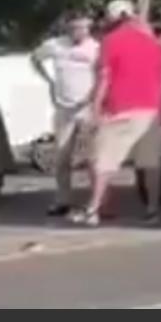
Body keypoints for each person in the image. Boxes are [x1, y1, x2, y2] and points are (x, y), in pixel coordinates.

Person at [71, 0, 161, 227]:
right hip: (150, 110)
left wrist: (95, 109)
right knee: (149, 163)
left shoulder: (110, 41)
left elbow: (105, 78)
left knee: (103, 161)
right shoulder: (155, 43)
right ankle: (152, 209)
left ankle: (93, 209)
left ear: (112, 18)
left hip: (119, 109)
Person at [30, 12, 99, 216]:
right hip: (64, 107)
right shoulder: (56, 45)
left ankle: (96, 201)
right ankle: (63, 199)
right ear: (68, 28)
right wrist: (49, 81)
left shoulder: (95, 48)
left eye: (83, 28)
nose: (79, 32)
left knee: (92, 157)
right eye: (75, 28)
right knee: (62, 156)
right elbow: (35, 58)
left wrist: (95, 97)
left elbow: (104, 73)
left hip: (86, 106)